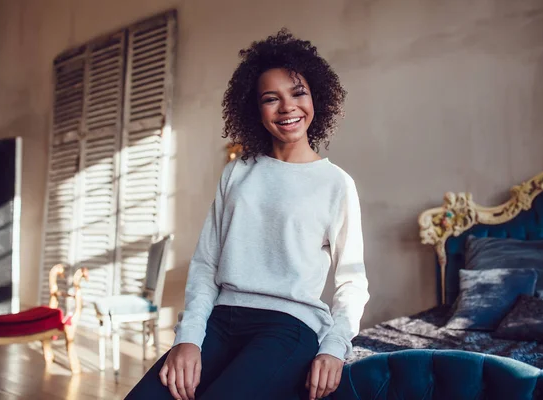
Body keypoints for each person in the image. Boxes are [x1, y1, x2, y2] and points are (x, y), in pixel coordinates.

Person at [125, 28, 369, 400]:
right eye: (271, 99)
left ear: (316, 97)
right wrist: (188, 338)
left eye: (298, 93)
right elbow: (207, 263)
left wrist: (334, 346)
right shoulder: (238, 172)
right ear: (255, 110)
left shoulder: (336, 184)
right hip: (221, 321)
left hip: (290, 326)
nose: (287, 107)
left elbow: (352, 282)